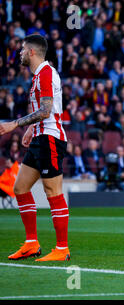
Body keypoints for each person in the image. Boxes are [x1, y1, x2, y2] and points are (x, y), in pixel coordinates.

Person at [0, 34, 70, 261]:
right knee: (20, 187)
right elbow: (45, 109)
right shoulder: (39, 75)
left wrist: (15, 124)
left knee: (53, 192)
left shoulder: (47, 73)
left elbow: (46, 111)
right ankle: (31, 243)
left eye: (22, 50)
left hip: (50, 138)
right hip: (40, 137)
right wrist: (31, 129)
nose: (19, 53)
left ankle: (62, 249)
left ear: (31, 52)